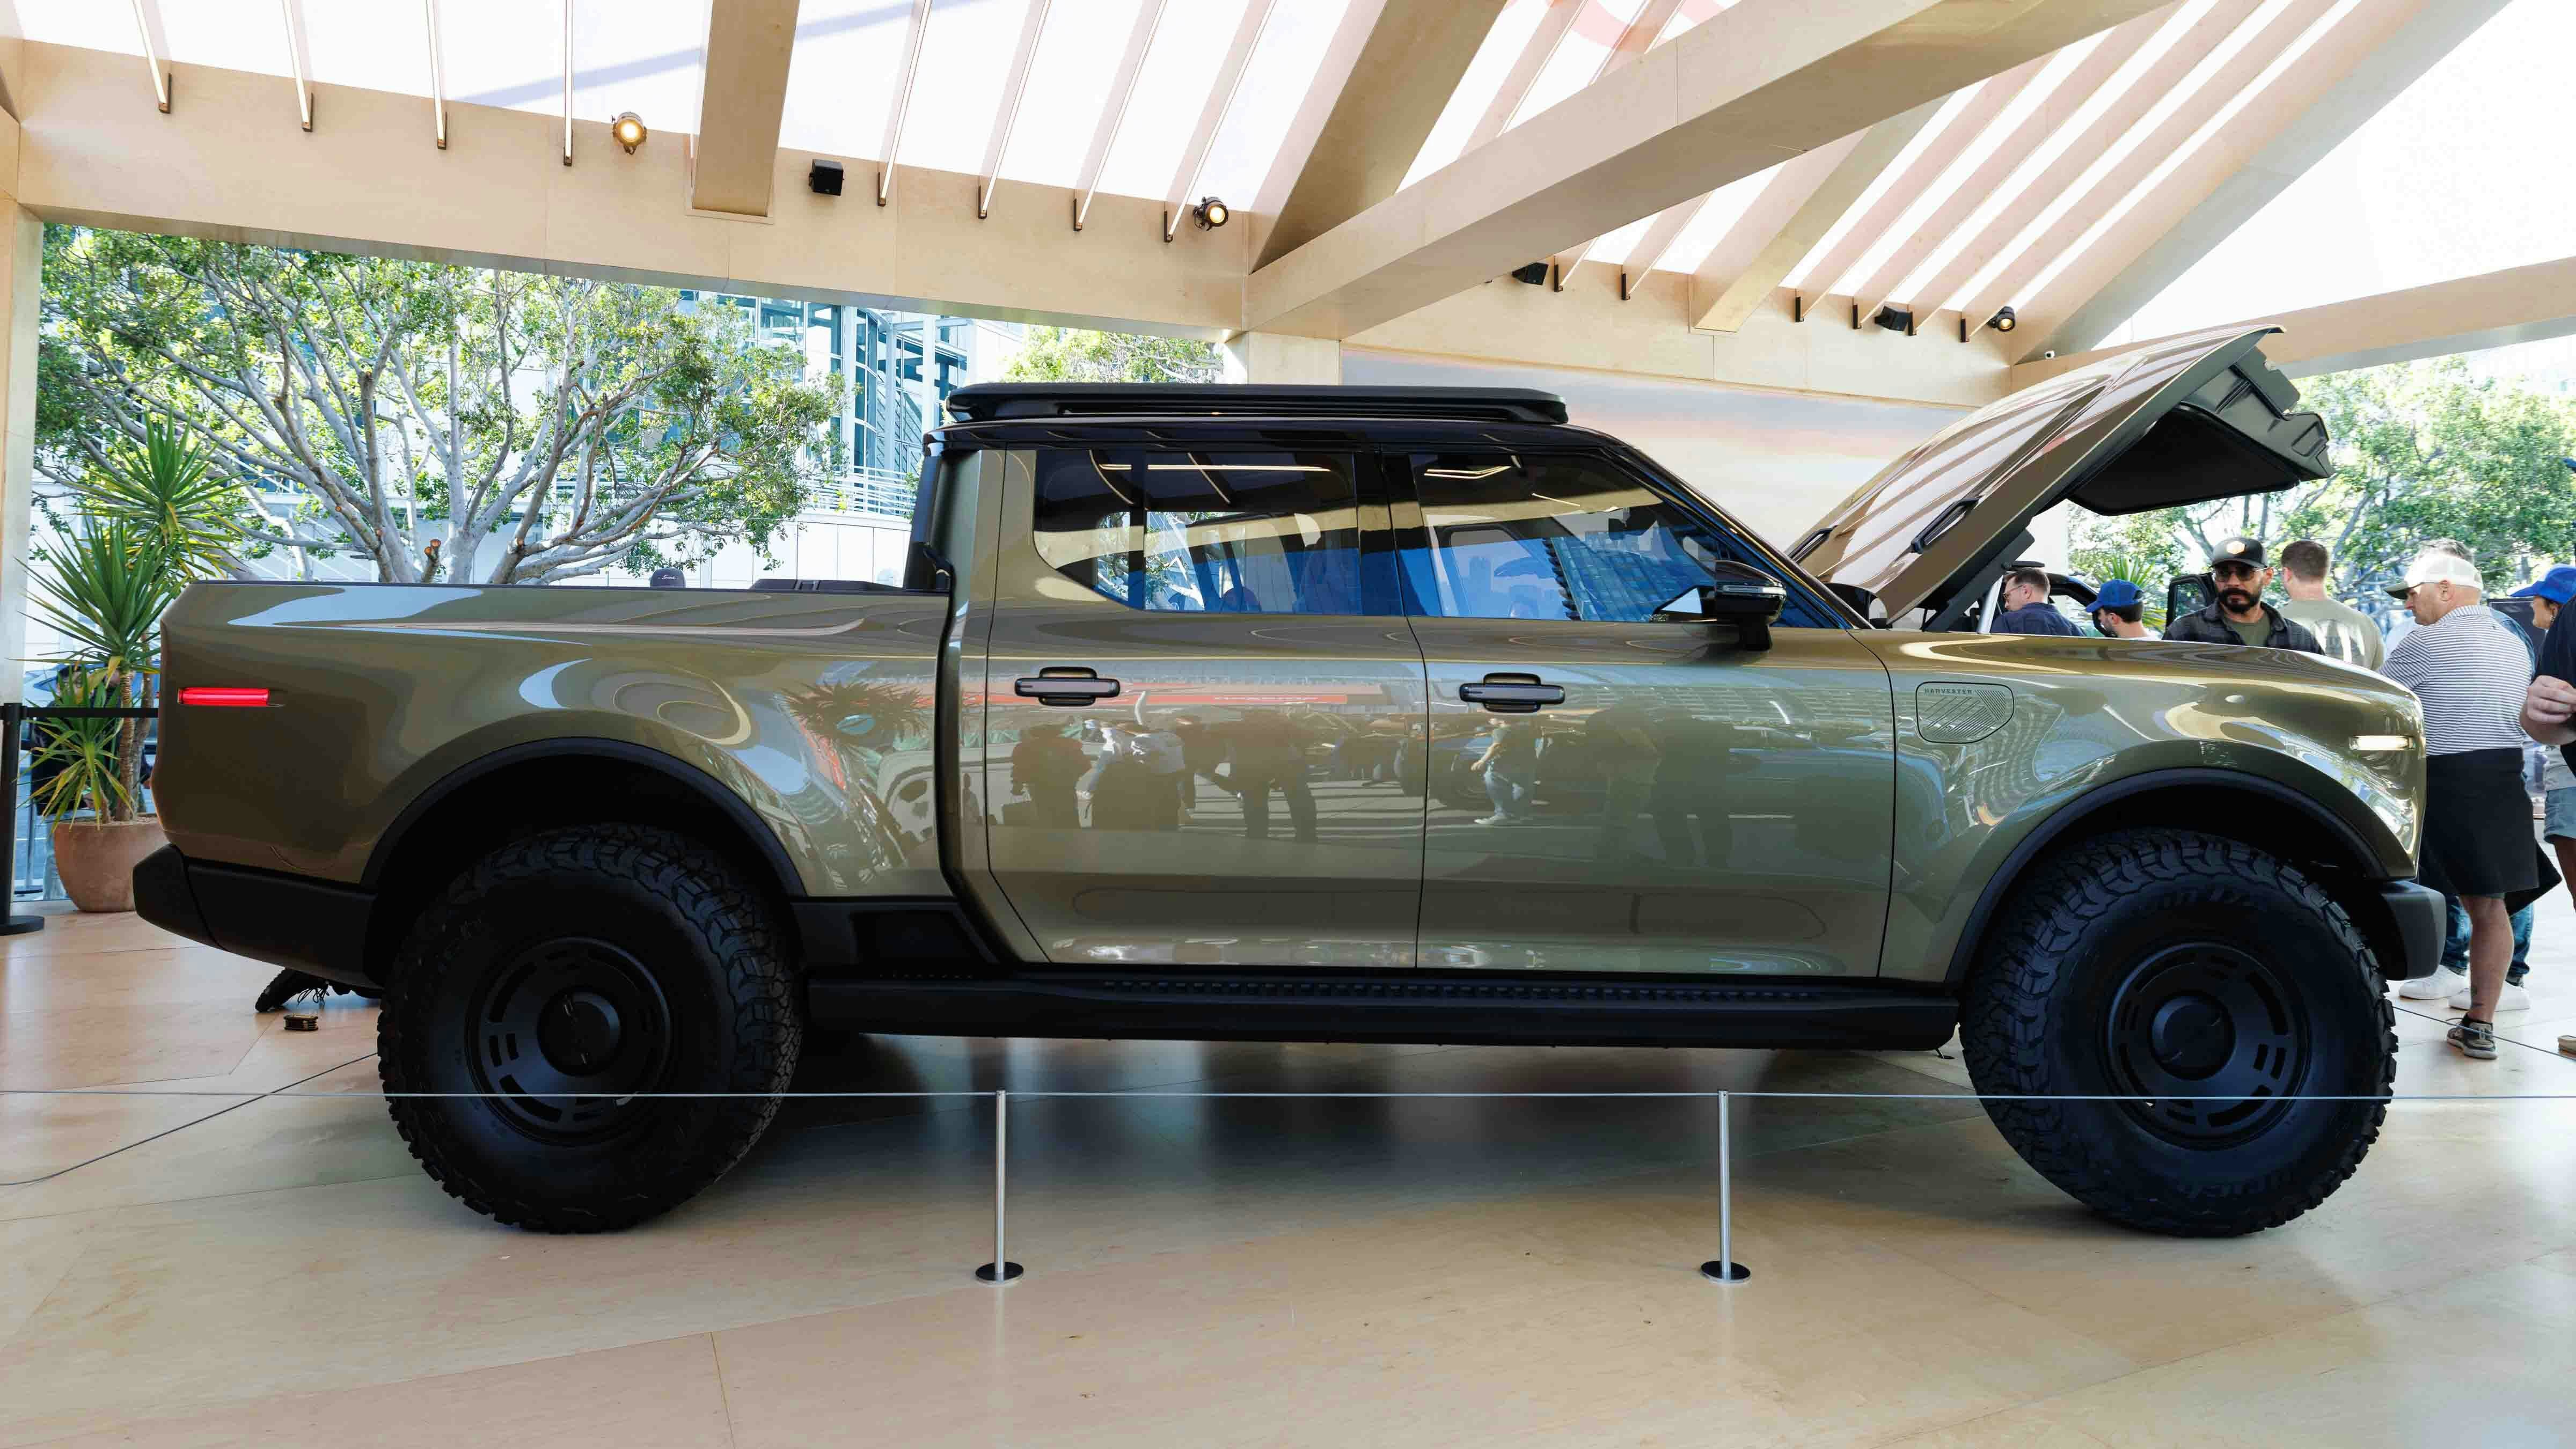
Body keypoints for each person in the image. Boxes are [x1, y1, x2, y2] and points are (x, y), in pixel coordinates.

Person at [2383, 542, 2556, 1059]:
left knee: (2413, 891)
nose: (2409, 607)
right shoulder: (2514, 642)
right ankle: (2481, 1021)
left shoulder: (2423, 643)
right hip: (2505, 777)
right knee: (2490, 906)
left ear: (2445, 589)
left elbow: (2380, 702)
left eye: (2413, 595)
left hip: (2447, 779)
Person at [2161, 537, 2323, 653]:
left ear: (2268, 576)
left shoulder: (2299, 639)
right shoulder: (2184, 633)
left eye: (2245, 573)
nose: (2233, 582)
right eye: (2224, 574)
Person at [2274, 539, 2383, 670]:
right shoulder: (2366, 624)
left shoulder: (2273, 624)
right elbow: (2382, 681)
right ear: (2326, 571)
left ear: (2287, 573)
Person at [1992, 567, 2078, 635]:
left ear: (2026, 591)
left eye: (2007, 596)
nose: (2006, 605)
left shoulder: (2007, 622)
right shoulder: (2076, 630)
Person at [2087, 579, 2154, 639]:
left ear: (2112, 618)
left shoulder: (2115, 651)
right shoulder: (2160, 647)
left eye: (2100, 614)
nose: (2099, 618)